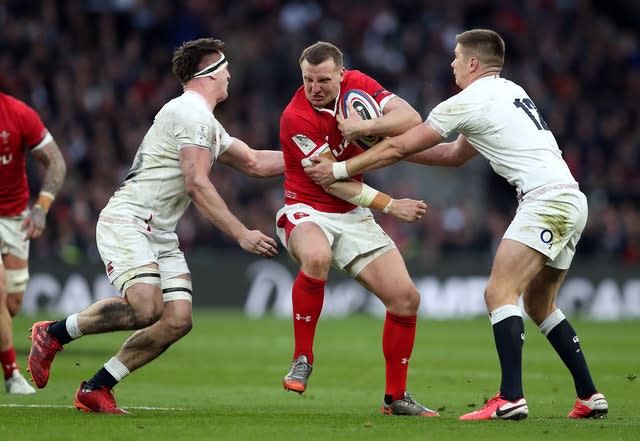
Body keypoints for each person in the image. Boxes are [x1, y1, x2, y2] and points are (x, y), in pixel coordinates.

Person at [306, 29, 608, 421]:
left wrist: (342, 168)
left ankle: (511, 397)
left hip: (545, 201)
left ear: (472, 63)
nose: (451, 64)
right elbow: (451, 155)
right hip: (571, 198)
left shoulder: (466, 101)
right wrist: (383, 147)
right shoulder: (511, 92)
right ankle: (589, 395)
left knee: (499, 292)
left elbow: (402, 144)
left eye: (455, 57)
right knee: (538, 303)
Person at [27, 38, 284, 413]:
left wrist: (309, 158)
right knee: (146, 306)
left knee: (177, 320)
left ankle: (96, 388)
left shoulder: (205, 122)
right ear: (209, 74)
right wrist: (241, 232)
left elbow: (256, 162)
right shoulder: (189, 113)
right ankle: (53, 333)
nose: (229, 73)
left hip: (159, 232)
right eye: (224, 67)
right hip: (128, 219)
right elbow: (197, 183)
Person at [277, 41, 439, 417]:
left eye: (323, 80)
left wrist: (364, 126)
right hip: (307, 209)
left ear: (341, 73)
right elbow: (328, 180)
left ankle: (395, 399)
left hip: (353, 215)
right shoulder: (295, 116)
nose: (314, 87)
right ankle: (303, 357)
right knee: (316, 256)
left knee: (406, 299)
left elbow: (410, 117)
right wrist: (390, 205)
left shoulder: (359, 84)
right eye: (307, 79)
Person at [0, 92, 66, 395]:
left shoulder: (18, 114)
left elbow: (56, 161)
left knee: (12, 304)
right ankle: (12, 374)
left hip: (15, 219)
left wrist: (41, 208)